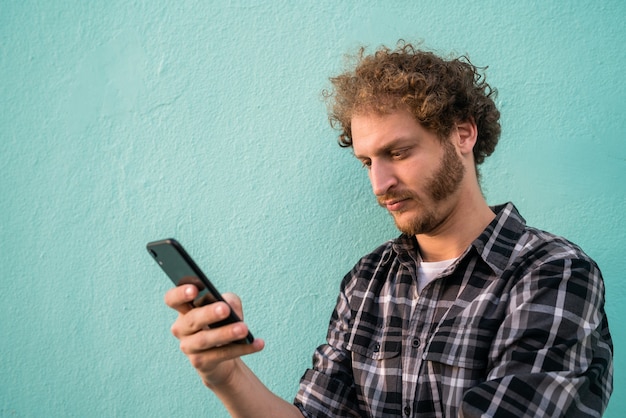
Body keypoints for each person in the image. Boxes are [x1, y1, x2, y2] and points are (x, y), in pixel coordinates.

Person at [164, 41, 613, 417]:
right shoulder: (368, 279)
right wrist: (225, 375)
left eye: (397, 153)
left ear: (463, 134)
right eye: (366, 161)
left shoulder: (553, 272)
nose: (379, 184)